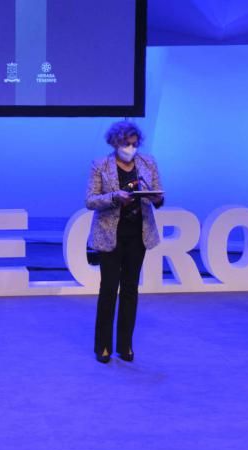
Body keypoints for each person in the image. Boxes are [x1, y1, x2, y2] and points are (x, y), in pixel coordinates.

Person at [86, 121, 164, 364]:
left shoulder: (148, 163)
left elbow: (159, 197)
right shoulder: (101, 165)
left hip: (138, 234)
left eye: (134, 143)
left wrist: (155, 196)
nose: (130, 148)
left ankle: (125, 345)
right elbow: (90, 200)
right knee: (109, 289)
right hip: (110, 234)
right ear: (115, 143)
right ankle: (103, 346)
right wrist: (114, 197)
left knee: (130, 289)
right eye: (125, 143)